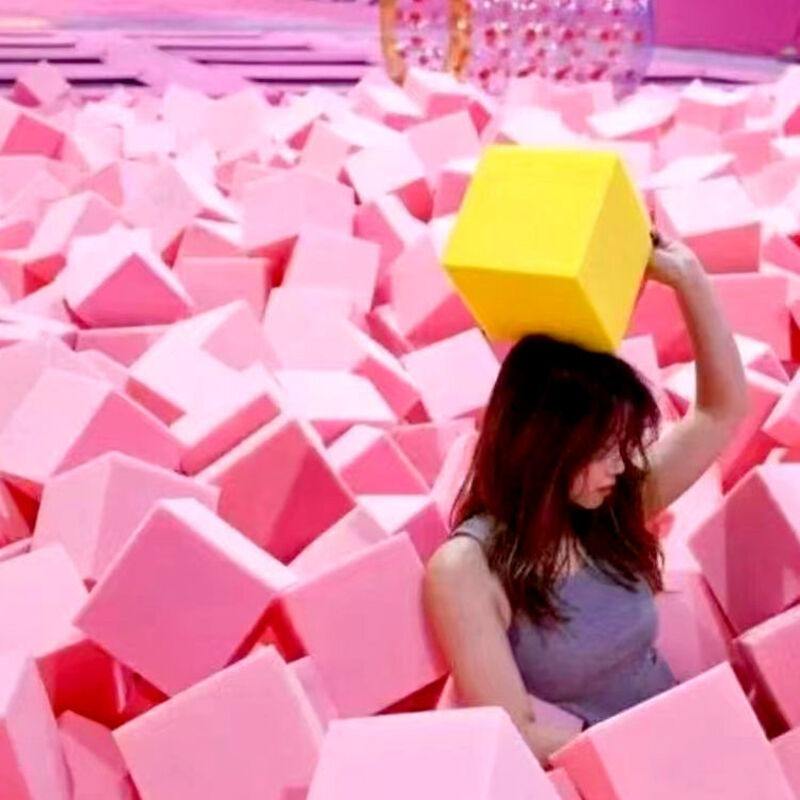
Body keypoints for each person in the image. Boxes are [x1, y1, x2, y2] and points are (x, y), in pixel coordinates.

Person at [423, 236, 749, 769]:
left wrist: (689, 279)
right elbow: (516, 735)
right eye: (602, 451)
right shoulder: (466, 569)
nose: (620, 466)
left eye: (622, 447)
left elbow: (721, 411)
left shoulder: (609, 506)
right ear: (545, 448)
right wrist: (651, 752)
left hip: (691, 742)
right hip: (613, 773)